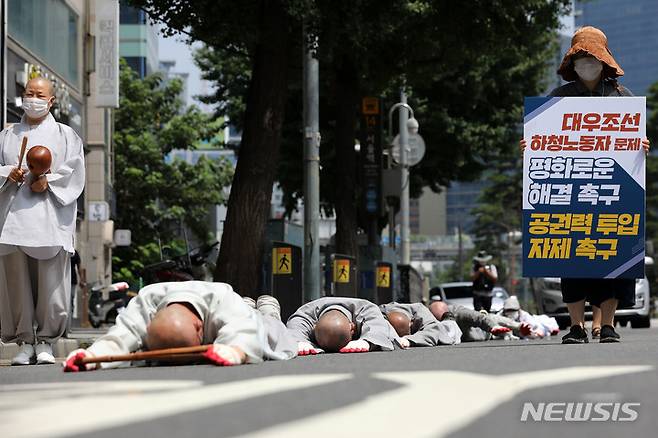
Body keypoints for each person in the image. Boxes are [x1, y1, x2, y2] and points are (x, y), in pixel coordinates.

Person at [521, 26, 650, 344]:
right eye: (581, 58)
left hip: (613, 187)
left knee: (613, 255)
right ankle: (577, 325)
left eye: (592, 58)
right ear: (572, 63)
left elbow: (636, 134)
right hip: (571, 189)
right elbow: (541, 134)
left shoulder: (621, 96)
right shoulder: (559, 98)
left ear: (605, 62)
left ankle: (606, 324)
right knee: (572, 258)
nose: (587, 63)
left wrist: (642, 143)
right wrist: (530, 146)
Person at [0, 77, 85, 365]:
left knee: (51, 282)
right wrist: (7, 175)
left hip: (49, 219)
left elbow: (74, 172)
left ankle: (47, 340)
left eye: (39, 94)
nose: (33, 98)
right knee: (16, 280)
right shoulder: (7, 136)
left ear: (51, 101)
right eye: (28, 93)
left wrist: (47, 181)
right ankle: (24, 341)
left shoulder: (66, 136)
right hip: (12, 220)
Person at [63, 281, 296, 371]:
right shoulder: (146, 300)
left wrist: (235, 350)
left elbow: (242, 332)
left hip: (251, 319)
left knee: (270, 330)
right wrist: (92, 356)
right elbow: (121, 336)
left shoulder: (221, 298)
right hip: (224, 319)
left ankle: (268, 310)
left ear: (198, 327)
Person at [286, 297, 399, 355]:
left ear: (352, 327)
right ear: (314, 327)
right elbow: (295, 327)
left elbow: (378, 327)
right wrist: (299, 342)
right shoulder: (305, 313)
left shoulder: (367, 308)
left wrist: (367, 342)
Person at [429, 300, 532, 342]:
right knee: (504, 335)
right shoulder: (428, 320)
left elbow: (479, 318)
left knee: (498, 321)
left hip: (487, 328)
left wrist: (493, 327)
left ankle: (522, 328)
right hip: (485, 337)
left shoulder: (458, 312)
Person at [380, 302, 462, 347]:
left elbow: (433, 332)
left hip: (442, 324)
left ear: (411, 323)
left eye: (409, 331)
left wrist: (408, 340)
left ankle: (449, 321)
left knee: (448, 333)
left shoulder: (419, 310)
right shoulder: (379, 316)